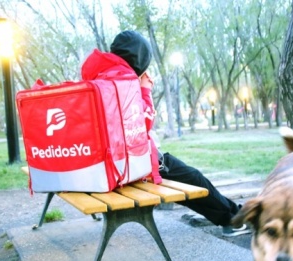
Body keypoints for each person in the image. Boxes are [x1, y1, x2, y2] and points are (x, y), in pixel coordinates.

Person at [81, 30, 250, 237]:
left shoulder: (100, 75)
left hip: (112, 162)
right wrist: (144, 90)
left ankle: (233, 214)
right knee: (192, 178)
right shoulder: (122, 79)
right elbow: (141, 123)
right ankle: (234, 219)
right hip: (130, 165)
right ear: (139, 58)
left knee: (186, 176)